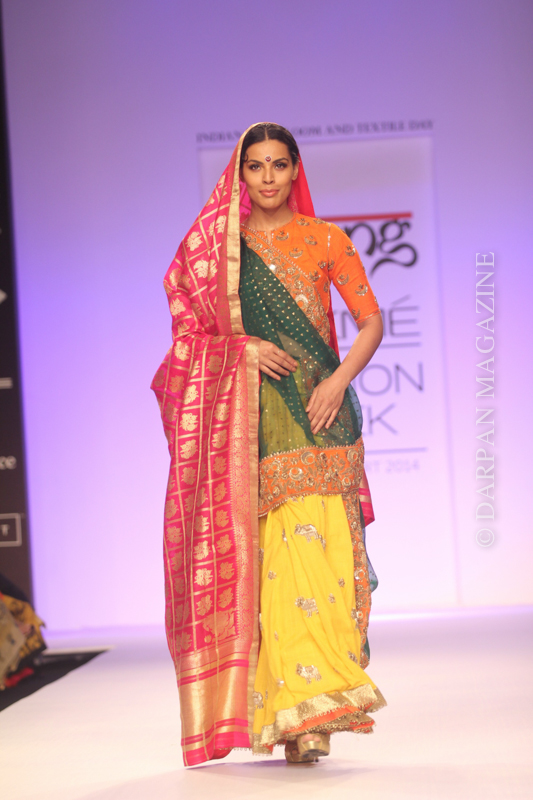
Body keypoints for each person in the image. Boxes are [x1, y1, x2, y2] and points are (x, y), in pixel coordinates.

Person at [152, 122, 386, 767]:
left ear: (296, 169)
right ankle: (286, 714)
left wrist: (338, 380)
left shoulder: (326, 238)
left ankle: (315, 714)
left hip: (322, 414)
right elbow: (185, 341)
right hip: (250, 421)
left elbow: (371, 320)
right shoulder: (216, 250)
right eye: (255, 166)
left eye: (279, 165)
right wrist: (244, 349)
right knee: (273, 561)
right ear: (240, 174)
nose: (267, 178)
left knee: (321, 557)